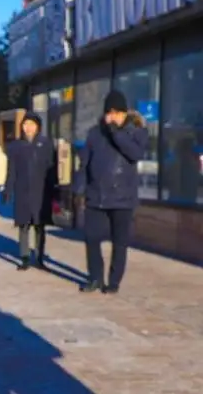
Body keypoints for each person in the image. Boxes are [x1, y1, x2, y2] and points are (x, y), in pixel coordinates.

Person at [74, 90, 148, 294]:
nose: (112, 116)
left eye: (117, 112)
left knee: (119, 242)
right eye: (109, 112)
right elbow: (84, 164)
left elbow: (135, 154)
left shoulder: (136, 131)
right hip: (96, 196)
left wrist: (116, 132)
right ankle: (95, 278)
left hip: (123, 198)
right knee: (91, 238)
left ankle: (113, 281)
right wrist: (78, 188)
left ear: (125, 113)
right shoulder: (94, 133)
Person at [3, 112, 56, 271]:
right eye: (25, 124)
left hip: (41, 191)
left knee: (40, 225)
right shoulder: (16, 146)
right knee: (23, 225)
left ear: (38, 126)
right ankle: (25, 257)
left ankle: (39, 257)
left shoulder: (46, 144)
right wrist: (8, 189)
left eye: (31, 124)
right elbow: (11, 170)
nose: (28, 128)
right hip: (23, 191)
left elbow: (52, 169)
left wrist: (55, 189)